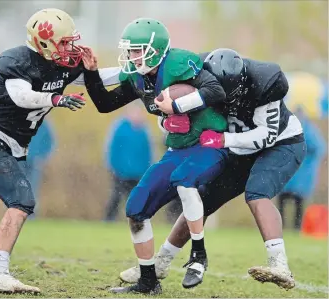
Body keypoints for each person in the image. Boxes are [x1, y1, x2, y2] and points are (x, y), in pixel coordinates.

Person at [0, 8, 120, 294]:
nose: (69, 48)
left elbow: (98, 79)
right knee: (22, 200)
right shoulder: (18, 61)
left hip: (7, 147)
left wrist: (136, 71)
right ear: (43, 42)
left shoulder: (60, 66)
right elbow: (20, 95)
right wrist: (55, 99)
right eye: (63, 42)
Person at [119, 48, 306, 291]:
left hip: (281, 144)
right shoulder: (198, 71)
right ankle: (161, 263)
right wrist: (167, 120)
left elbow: (266, 136)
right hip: (238, 147)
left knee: (257, 193)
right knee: (200, 202)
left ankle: (279, 265)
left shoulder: (264, 83)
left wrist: (222, 140)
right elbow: (168, 109)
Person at [81, 18, 230, 294]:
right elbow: (105, 104)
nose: (132, 56)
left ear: (157, 49)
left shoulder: (178, 63)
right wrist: (91, 74)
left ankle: (199, 254)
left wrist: (175, 105)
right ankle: (148, 281)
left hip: (209, 145)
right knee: (136, 206)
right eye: (130, 50)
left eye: (138, 50)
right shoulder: (138, 76)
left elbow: (215, 90)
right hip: (177, 148)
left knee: (185, 180)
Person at [278, 106, 326, 230]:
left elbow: (319, 148)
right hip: (287, 175)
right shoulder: (285, 128)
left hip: (302, 174)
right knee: (282, 201)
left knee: (298, 202)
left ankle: (296, 228)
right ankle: (280, 226)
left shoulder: (310, 131)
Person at [104, 103, 153, 222]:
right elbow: (112, 149)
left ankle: (137, 220)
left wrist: (147, 169)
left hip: (138, 173)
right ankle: (109, 219)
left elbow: (148, 152)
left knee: (136, 199)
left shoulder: (144, 131)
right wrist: (113, 167)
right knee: (116, 197)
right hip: (120, 171)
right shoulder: (119, 128)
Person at [26, 119, 56, 218]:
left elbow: (50, 141)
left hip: (34, 161)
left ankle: (29, 216)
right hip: (19, 159)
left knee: (32, 189)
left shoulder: (43, 123)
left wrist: (42, 156)